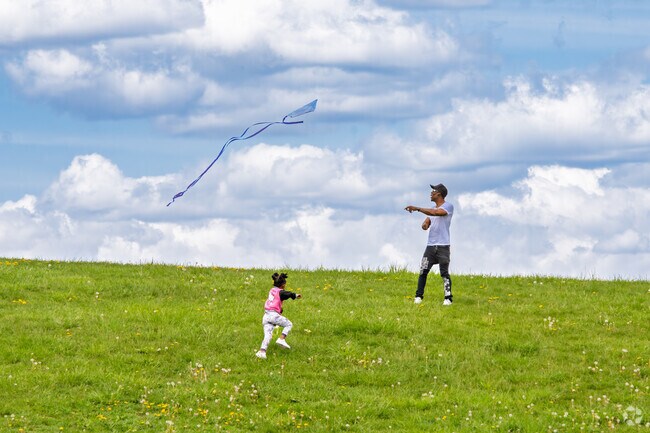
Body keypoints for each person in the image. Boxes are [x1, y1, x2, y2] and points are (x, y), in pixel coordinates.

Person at [405, 183, 454, 306]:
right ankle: (418, 296)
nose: (431, 193)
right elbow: (428, 220)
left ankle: (448, 298)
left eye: (433, 191)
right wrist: (425, 225)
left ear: (439, 193)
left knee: (444, 272)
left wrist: (417, 208)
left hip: (443, 246)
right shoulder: (432, 209)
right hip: (430, 247)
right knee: (423, 271)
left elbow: (436, 213)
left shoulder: (448, 206)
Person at [255, 272, 302, 359]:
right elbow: (287, 294)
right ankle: (281, 339)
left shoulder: (272, 290)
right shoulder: (280, 292)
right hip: (273, 315)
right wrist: (295, 295)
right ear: (283, 285)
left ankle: (262, 351)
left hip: (266, 316)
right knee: (289, 324)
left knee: (268, 335)